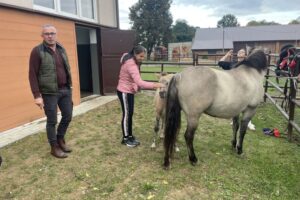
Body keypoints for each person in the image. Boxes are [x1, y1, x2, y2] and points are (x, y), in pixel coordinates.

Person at [29, 24, 73, 158]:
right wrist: (37, 95)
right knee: (52, 121)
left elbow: (66, 68)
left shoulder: (61, 49)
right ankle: (54, 147)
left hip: (65, 89)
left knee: (68, 115)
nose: (50, 36)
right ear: (42, 36)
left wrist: (70, 87)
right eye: (47, 33)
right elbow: (32, 74)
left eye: (52, 33)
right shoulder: (37, 51)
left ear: (56, 34)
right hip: (49, 93)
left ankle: (60, 139)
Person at [117, 45, 164, 147]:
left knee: (130, 114)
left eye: (144, 56)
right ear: (135, 54)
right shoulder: (131, 64)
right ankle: (125, 139)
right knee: (127, 115)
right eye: (141, 56)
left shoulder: (131, 58)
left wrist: (133, 85)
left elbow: (133, 78)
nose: (142, 59)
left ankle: (129, 136)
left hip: (129, 90)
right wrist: (156, 85)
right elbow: (140, 82)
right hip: (124, 91)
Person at [218, 48, 256, 131]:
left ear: (245, 55)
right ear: (237, 54)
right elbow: (220, 62)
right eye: (240, 52)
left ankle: (248, 122)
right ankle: (234, 120)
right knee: (235, 104)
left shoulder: (248, 64)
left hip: (245, 88)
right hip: (234, 88)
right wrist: (227, 55)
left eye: (243, 52)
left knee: (247, 105)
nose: (241, 52)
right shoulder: (232, 64)